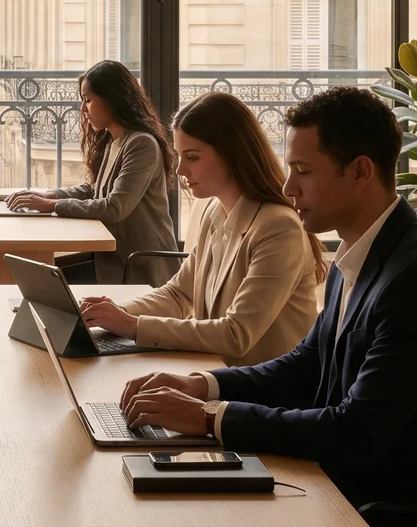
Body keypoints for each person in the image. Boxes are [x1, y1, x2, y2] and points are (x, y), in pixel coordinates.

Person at [117, 87, 417, 514]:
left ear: (360, 171)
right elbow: (306, 364)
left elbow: (355, 433)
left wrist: (210, 417)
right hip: (349, 480)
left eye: (303, 171)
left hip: (402, 505)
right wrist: (202, 385)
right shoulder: (358, 251)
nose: (288, 187)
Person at [78, 90, 323, 363]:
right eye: (180, 156)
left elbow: (236, 333)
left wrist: (131, 325)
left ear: (233, 154)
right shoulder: (215, 212)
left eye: (192, 157)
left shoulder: (278, 228)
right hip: (216, 372)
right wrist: (110, 314)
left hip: (266, 395)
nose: (180, 170)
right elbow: (178, 293)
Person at [5, 60, 179, 285]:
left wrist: (52, 206)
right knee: (40, 275)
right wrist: (51, 195)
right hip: (113, 257)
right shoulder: (114, 141)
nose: (83, 109)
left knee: (44, 283)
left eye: (88, 100)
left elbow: (114, 207)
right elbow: (94, 190)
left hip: (138, 266)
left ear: (112, 99)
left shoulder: (141, 144)